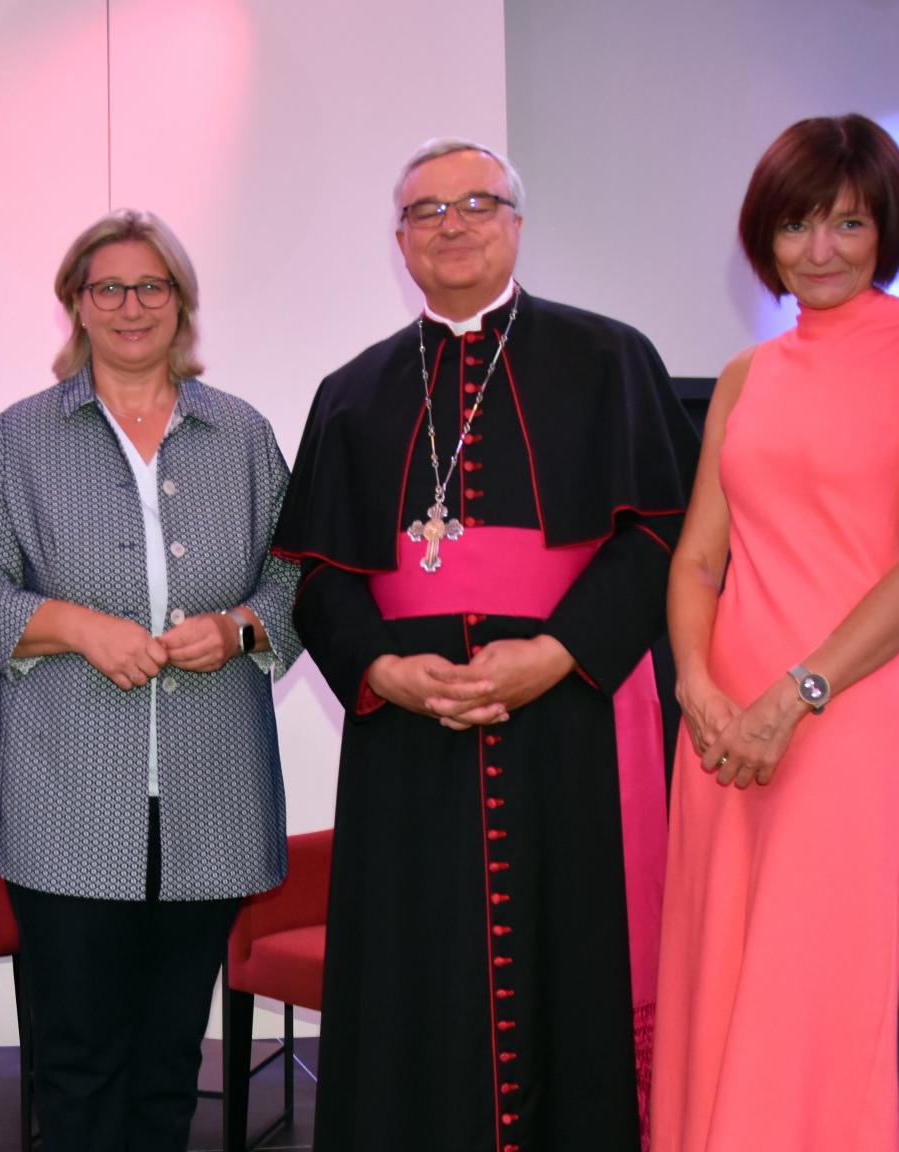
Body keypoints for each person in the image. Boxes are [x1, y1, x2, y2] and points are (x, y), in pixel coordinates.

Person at [272, 137, 700, 1150]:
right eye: (427, 211)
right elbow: (316, 573)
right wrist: (379, 668)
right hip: (405, 727)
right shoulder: (351, 390)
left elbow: (662, 534)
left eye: (476, 203)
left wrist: (555, 653)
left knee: (569, 953)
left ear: (513, 222)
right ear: (398, 241)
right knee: (416, 964)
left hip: (567, 714)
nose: (451, 224)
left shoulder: (609, 359)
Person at [650, 114, 899, 1152]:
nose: (819, 250)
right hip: (719, 722)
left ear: (885, 226)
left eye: (846, 223)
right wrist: (696, 688)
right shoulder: (748, 374)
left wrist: (793, 696)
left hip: (839, 710)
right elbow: (697, 557)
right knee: (715, 970)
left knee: (809, 979)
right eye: (795, 226)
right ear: (764, 238)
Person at [0, 209, 300, 1152]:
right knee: (75, 1058)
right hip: (65, 792)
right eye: (109, 288)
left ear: (181, 305)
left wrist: (240, 626)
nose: (131, 306)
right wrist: (75, 627)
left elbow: (297, 576)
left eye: (153, 287)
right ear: (76, 305)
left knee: (169, 1060)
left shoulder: (243, 433)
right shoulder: (21, 437)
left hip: (209, 793)